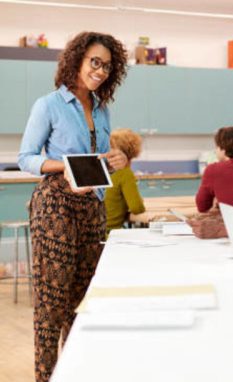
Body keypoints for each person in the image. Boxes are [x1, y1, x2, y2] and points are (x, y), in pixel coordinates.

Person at [17, 32, 129, 382]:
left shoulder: (101, 108)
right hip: (55, 208)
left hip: (91, 209)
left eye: (108, 66)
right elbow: (26, 158)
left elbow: (99, 162)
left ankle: (74, 373)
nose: (100, 70)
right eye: (95, 61)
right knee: (53, 304)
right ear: (77, 60)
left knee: (83, 302)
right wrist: (62, 164)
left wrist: (118, 159)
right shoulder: (48, 105)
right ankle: (45, 377)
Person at [105, 128, 145, 234]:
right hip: (110, 234)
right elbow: (137, 208)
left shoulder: (105, 171)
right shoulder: (125, 173)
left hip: (98, 231)